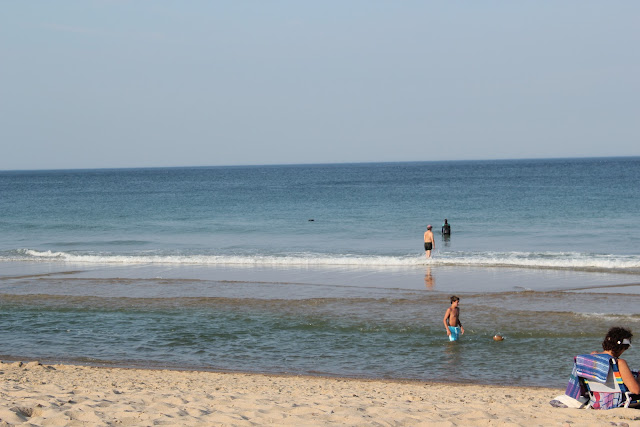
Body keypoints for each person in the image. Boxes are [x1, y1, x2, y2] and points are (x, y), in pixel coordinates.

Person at [592, 327, 640, 395]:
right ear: (622, 347)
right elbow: (636, 390)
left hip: (597, 399)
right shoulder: (619, 363)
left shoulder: (593, 356)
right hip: (614, 400)